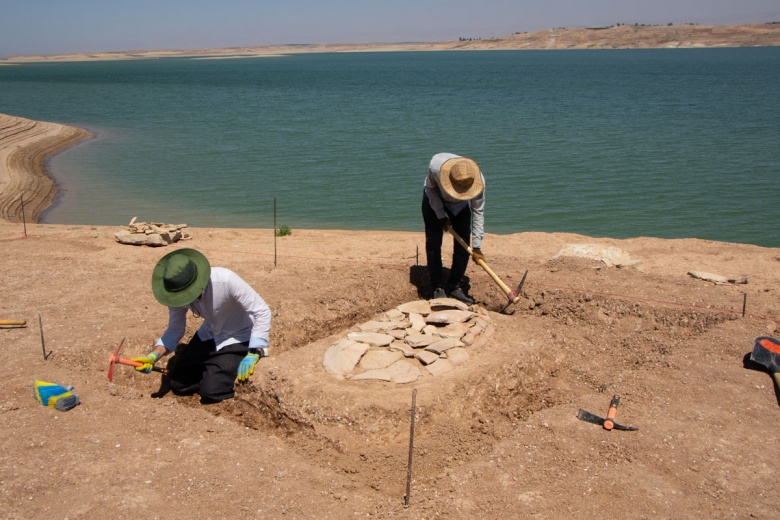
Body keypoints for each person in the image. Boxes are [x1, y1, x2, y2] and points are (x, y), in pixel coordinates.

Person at [132, 248, 272, 404]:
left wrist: (255, 350)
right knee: (179, 385)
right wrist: (153, 356)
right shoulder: (175, 293)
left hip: (238, 335)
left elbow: (262, 311)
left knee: (212, 392)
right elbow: (175, 329)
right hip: (209, 333)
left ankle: (222, 372)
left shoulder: (225, 280)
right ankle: (215, 370)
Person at [422, 152, 486, 304]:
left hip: (460, 207)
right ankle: (437, 286)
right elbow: (430, 189)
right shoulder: (436, 166)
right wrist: (440, 215)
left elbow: (478, 211)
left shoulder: (478, 182)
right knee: (434, 243)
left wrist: (477, 246)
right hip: (434, 200)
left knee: (464, 245)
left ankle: (455, 285)